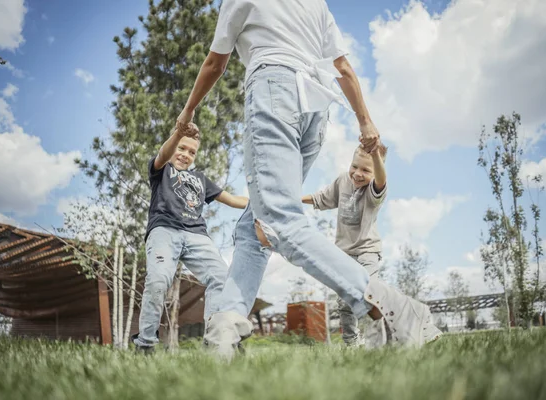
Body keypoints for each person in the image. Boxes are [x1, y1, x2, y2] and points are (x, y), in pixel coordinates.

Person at [175, 0, 441, 359]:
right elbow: (343, 68)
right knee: (253, 227)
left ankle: (399, 311)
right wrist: (365, 121)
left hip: (274, 89)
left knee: (278, 221)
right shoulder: (315, 3)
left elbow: (214, 63)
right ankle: (223, 336)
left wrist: (188, 111)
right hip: (315, 108)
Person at [132, 124, 248, 352]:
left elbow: (233, 200)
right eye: (181, 148)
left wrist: (264, 202)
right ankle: (145, 343)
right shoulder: (161, 169)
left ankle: (216, 342)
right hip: (164, 229)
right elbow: (164, 153)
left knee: (221, 278)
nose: (185, 155)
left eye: (191, 152)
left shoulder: (201, 179)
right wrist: (178, 132)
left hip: (196, 235)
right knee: (158, 280)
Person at [302, 143, 388, 347]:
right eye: (354, 166)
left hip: (367, 250)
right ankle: (351, 343)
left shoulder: (376, 189)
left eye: (366, 170)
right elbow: (322, 198)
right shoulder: (343, 180)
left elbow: (381, 180)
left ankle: (380, 340)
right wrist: (294, 200)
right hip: (343, 253)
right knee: (344, 302)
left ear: (376, 172)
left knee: (369, 293)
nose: (357, 174)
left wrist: (375, 155)